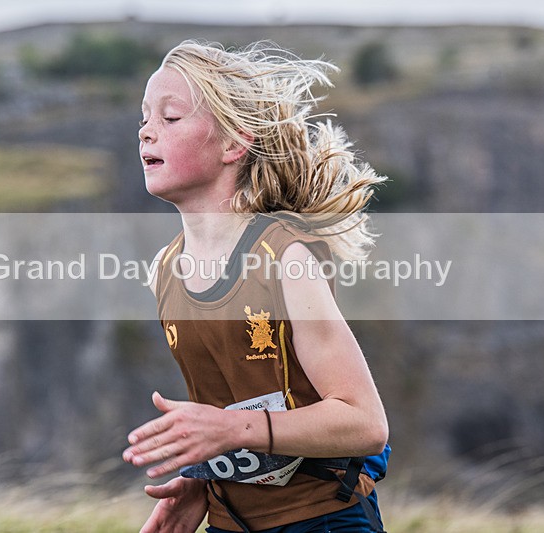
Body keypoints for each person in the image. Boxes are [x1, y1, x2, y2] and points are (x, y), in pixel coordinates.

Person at [122, 40, 389, 533]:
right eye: (144, 117)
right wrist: (202, 481)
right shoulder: (164, 269)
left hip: (323, 519)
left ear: (233, 144)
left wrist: (229, 430)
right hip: (230, 523)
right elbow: (234, 404)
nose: (146, 130)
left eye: (171, 117)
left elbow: (365, 423)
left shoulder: (284, 257)